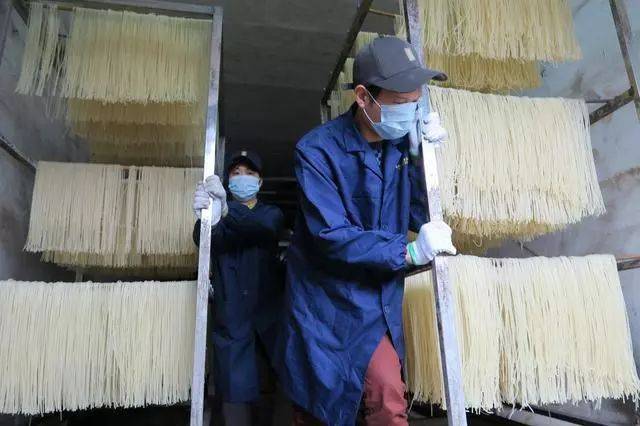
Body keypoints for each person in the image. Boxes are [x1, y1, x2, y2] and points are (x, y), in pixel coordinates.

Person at [275, 37, 457, 425]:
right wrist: (407, 254)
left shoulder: (399, 149)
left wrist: (426, 161)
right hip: (325, 304)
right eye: (401, 102)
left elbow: (416, 216)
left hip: (375, 301)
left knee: (389, 400)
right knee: (317, 407)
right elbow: (330, 235)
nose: (412, 110)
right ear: (363, 97)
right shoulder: (317, 151)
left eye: (416, 101)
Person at [192, 150, 285, 426]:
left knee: (280, 393)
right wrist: (209, 216)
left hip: (271, 321)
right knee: (234, 402)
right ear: (228, 181)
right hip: (232, 323)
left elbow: (263, 228)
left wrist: (225, 211)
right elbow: (203, 237)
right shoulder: (217, 217)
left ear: (260, 182)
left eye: (250, 173)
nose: (242, 178)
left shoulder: (271, 213)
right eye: (236, 174)